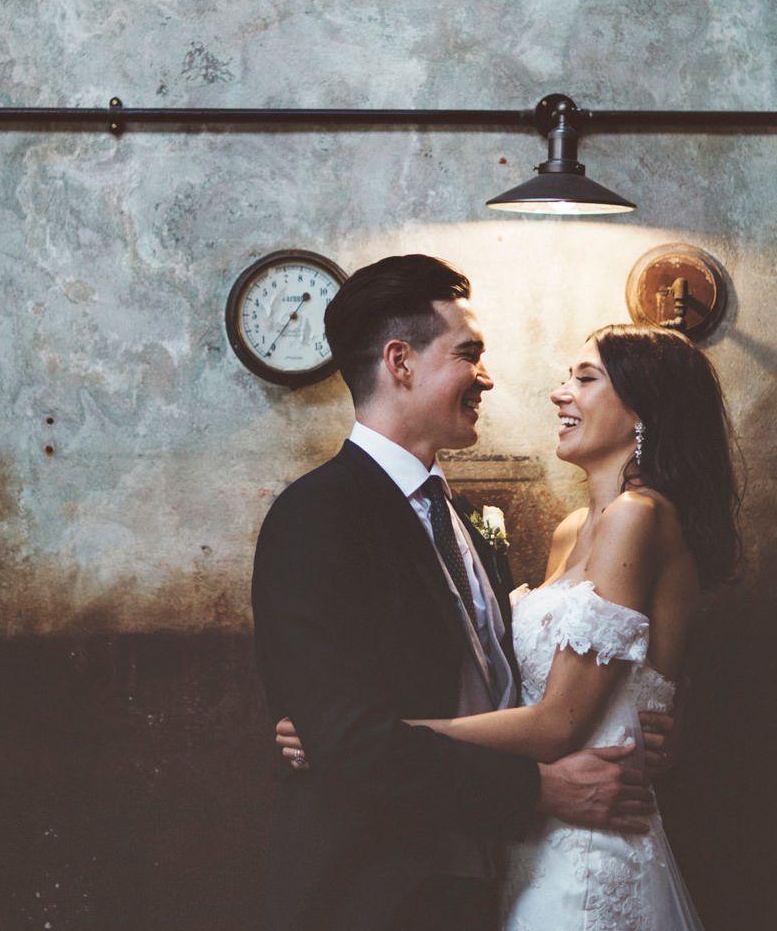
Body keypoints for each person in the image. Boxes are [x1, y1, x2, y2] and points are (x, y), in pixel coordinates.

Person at [252, 255, 671, 931]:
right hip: (378, 891)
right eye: (469, 354)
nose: (487, 378)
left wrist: (631, 712)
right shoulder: (317, 516)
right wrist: (538, 790)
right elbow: (352, 745)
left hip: (486, 881)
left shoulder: (462, 518)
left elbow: (504, 682)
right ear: (401, 362)